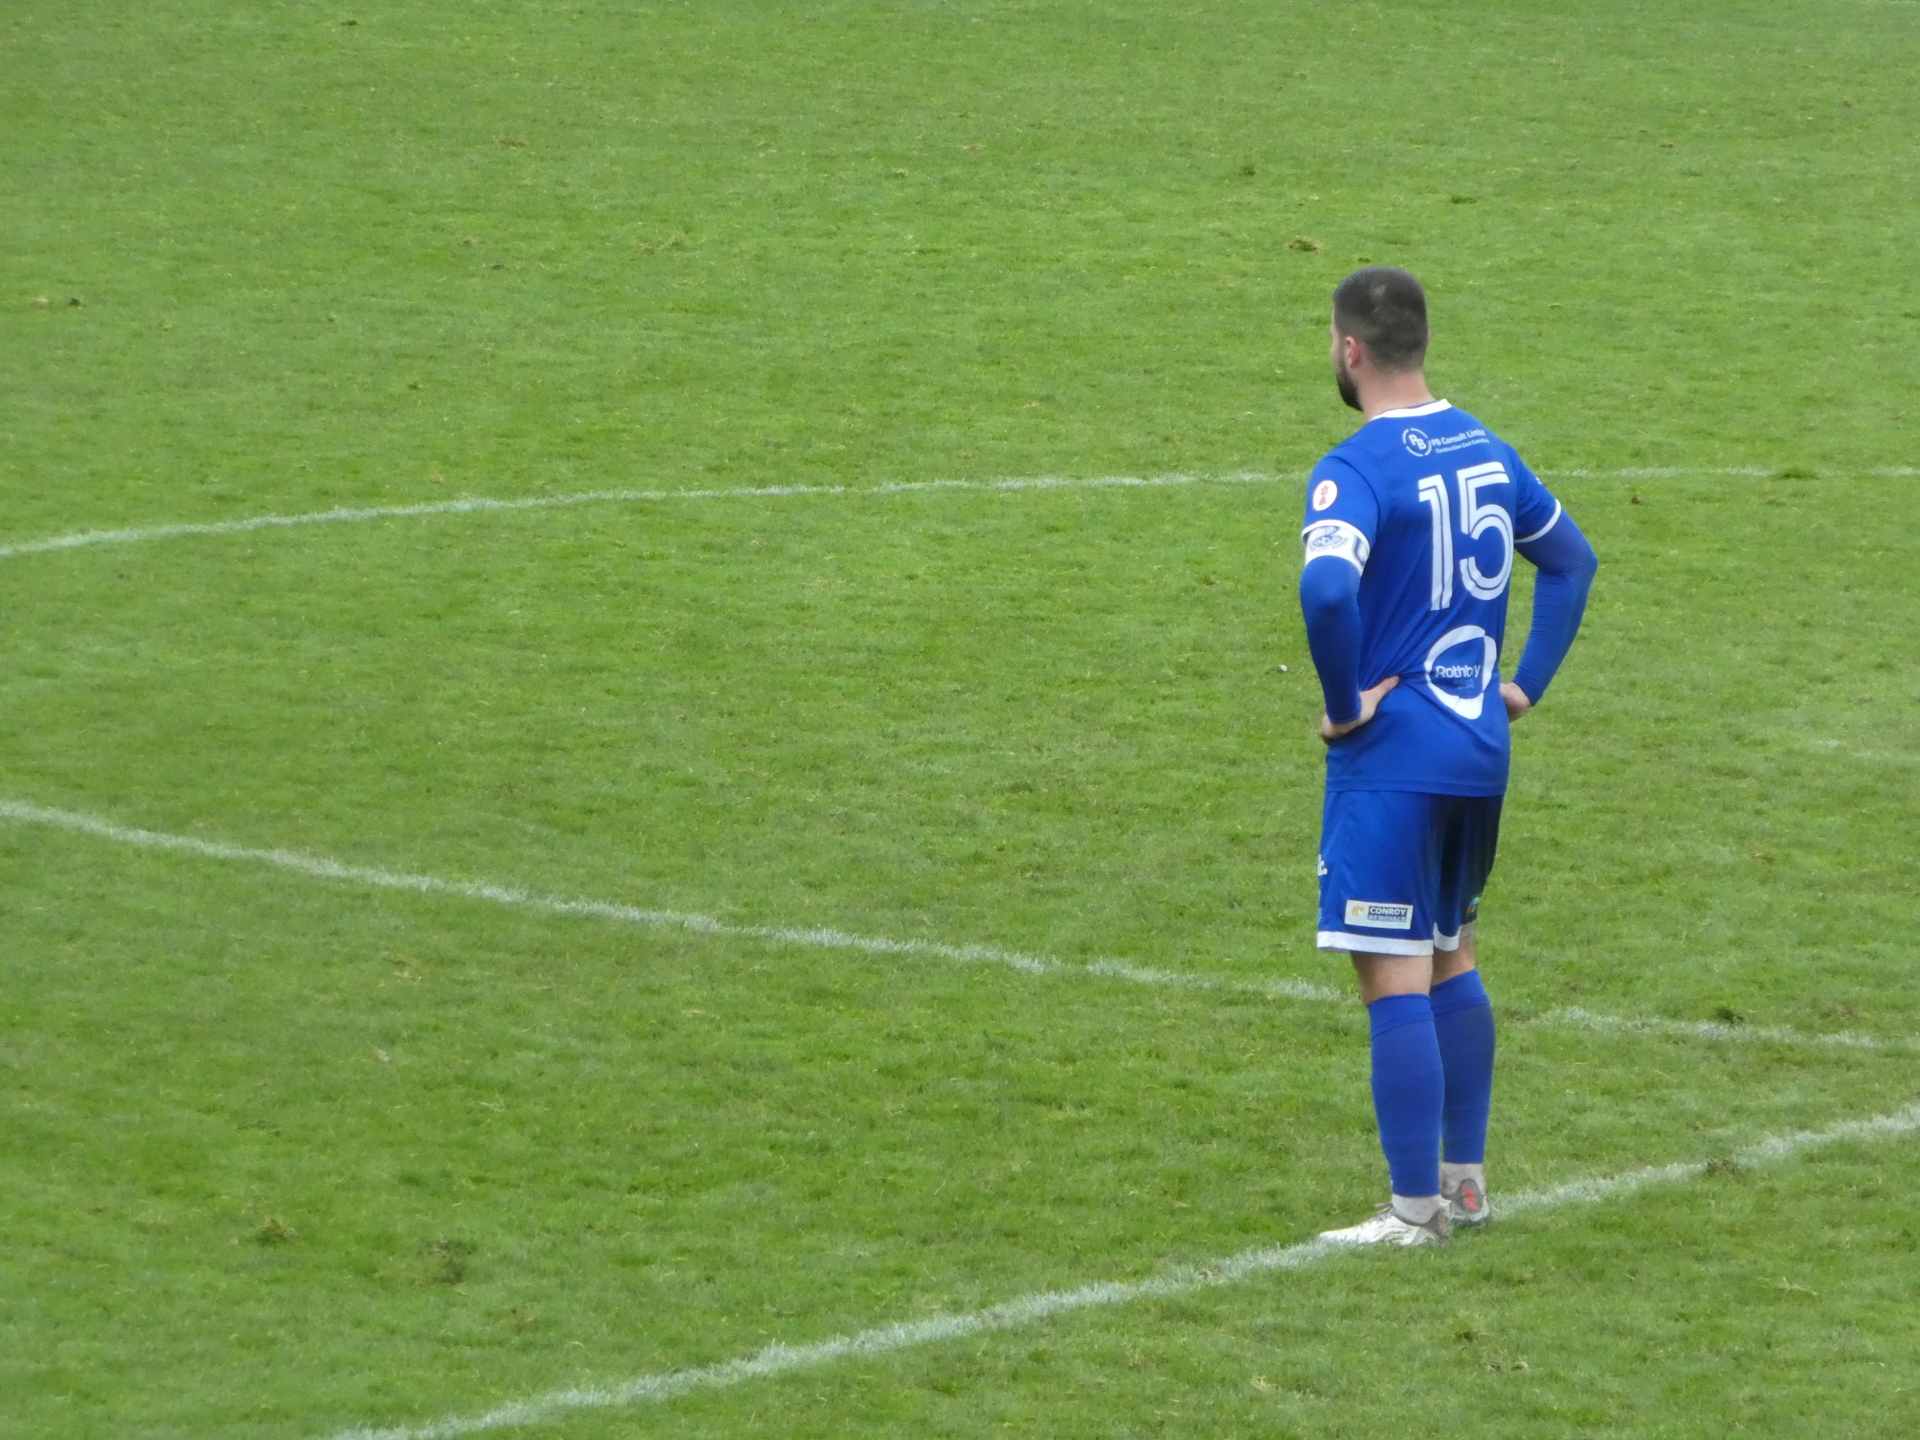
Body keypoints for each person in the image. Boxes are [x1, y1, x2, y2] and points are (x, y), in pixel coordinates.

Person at [1298, 267, 1598, 1246]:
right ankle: (1466, 1186)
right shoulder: (1486, 448)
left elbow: (1330, 594)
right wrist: (1526, 685)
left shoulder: (1354, 469)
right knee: (1452, 955)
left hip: (1394, 759)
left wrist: (1346, 709)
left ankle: (1413, 1208)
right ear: (1420, 342)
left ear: (1349, 350)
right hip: (1480, 744)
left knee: (1391, 974)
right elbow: (1571, 560)